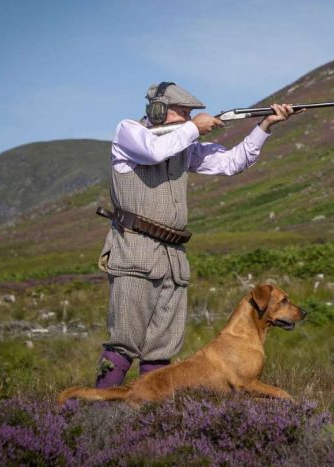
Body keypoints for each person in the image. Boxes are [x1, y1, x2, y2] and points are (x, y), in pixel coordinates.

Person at [94, 82, 300, 388]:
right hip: (133, 248)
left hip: (173, 255)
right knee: (124, 339)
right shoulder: (129, 132)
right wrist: (192, 128)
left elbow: (232, 163)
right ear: (158, 110)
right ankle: (99, 410)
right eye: (183, 112)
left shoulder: (183, 144)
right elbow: (152, 151)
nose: (189, 117)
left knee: (161, 347)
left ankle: (150, 415)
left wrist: (265, 126)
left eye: (191, 113)